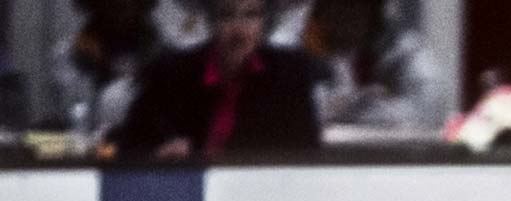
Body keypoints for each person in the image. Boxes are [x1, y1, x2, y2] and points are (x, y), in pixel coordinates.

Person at [115, 0, 320, 158]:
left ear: (264, 22)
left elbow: (308, 152)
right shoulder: (171, 73)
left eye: (251, 15)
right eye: (226, 15)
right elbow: (127, 147)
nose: (238, 30)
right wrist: (158, 155)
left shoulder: (289, 75)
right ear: (211, 21)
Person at [302, 0, 445, 131]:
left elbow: (428, 111)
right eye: (331, 5)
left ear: (374, 10)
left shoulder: (403, 49)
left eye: (350, 5)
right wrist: (346, 105)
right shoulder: (310, 44)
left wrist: (362, 108)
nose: (339, 15)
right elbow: (295, 108)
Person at [51, 0, 165, 141]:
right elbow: (69, 112)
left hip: (146, 149)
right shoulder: (72, 53)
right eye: (112, 4)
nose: (121, 8)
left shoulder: (162, 52)